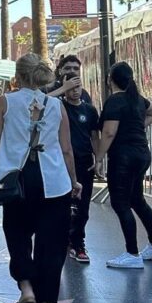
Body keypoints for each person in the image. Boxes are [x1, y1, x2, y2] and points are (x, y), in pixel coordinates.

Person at [0, 54, 81, 303]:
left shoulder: (4, 101)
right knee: (51, 244)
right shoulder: (56, 105)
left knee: (17, 235)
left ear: (17, 76)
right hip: (53, 181)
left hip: (17, 181)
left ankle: (26, 288)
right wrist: (74, 180)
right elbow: (66, 149)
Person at [94, 61, 152, 269]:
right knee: (137, 199)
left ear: (110, 80)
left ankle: (132, 253)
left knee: (121, 203)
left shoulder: (114, 101)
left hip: (123, 157)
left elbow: (109, 132)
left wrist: (99, 158)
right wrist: (138, 125)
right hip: (141, 154)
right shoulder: (137, 99)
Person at [61, 76, 100, 264]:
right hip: (63, 163)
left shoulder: (90, 110)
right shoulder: (59, 107)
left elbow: (94, 136)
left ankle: (78, 243)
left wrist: (98, 159)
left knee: (83, 207)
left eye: (78, 87)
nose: (75, 90)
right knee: (64, 205)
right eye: (70, 87)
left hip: (85, 162)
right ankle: (64, 239)